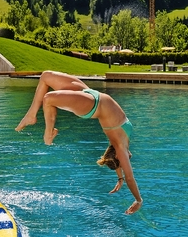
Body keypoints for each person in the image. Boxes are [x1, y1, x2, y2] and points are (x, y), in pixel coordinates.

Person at [16, 71, 143, 215]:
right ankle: (31, 114)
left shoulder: (120, 146)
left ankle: (48, 134)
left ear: (119, 157)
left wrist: (138, 200)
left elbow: (130, 178)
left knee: (49, 98)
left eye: (124, 162)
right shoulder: (122, 142)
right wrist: (119, 177)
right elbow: (121, 169)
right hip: (89, 92)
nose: (129, 160)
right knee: (46, 76)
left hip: (92, 105)